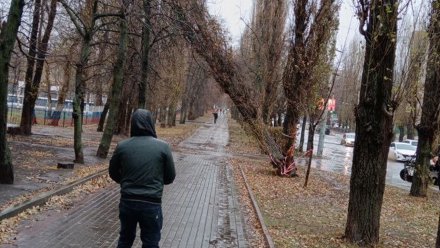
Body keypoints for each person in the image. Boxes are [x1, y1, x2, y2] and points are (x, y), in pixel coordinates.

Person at [109, 109, 176, 248]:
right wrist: (154, 181)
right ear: (151, 123)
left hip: (128, 201)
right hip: (152, 203)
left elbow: (113, 172)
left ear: (132, 124)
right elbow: (170, 177)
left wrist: (126, 182)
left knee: (125, 239)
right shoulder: (163, 147)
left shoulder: (122, 146)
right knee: (151, 242)